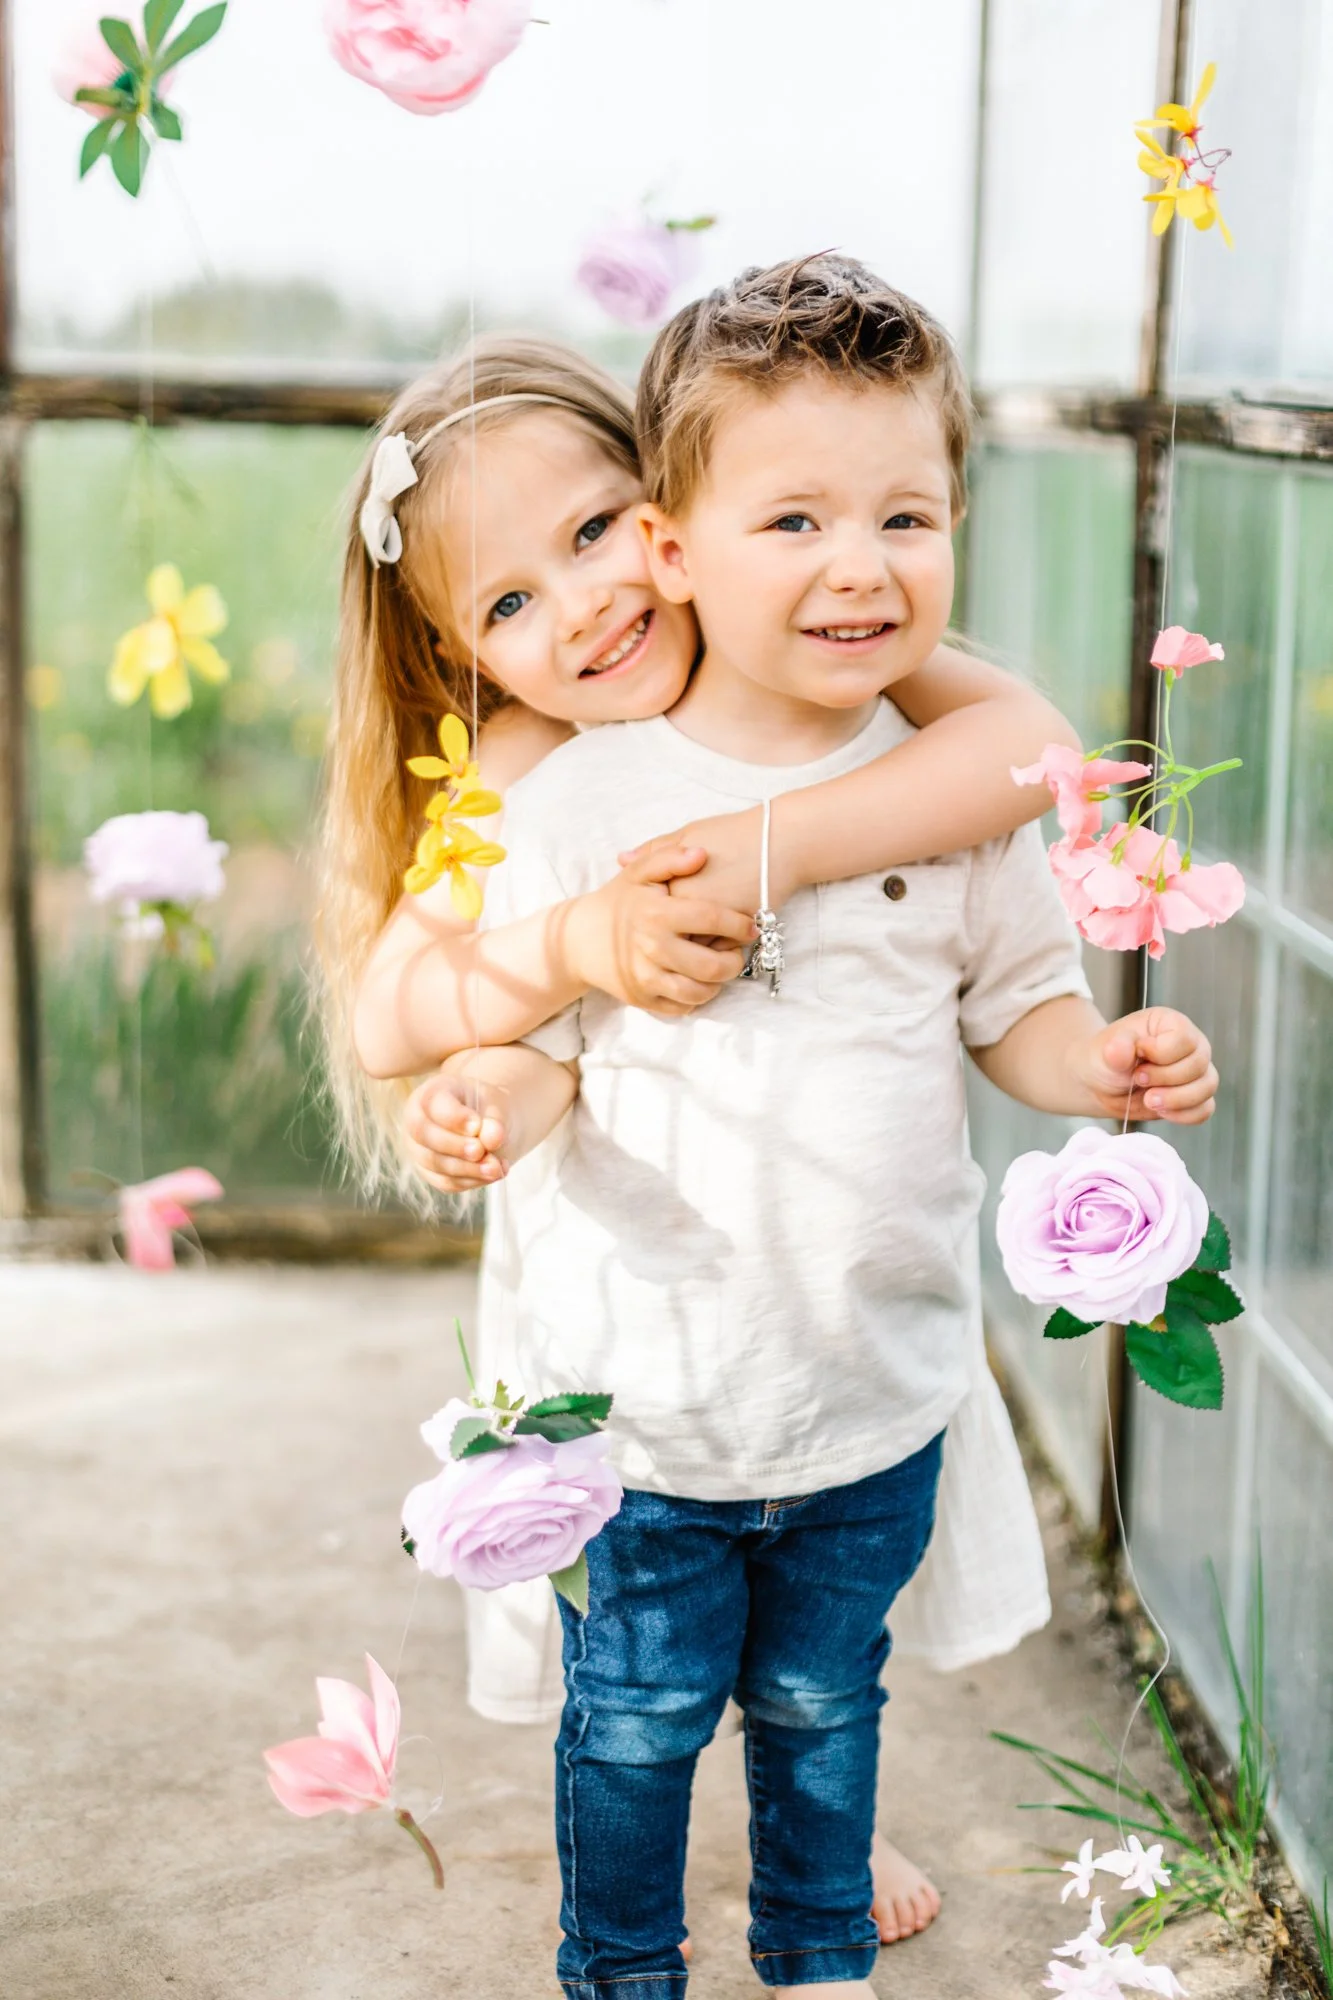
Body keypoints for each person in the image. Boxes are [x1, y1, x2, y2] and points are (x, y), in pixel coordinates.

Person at [402, 256, 1218, 2000]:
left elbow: (1015, 1011)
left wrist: (1102, 1066)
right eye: (796, 520)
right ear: (680, 553)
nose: (861, 564)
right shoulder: (579, 798)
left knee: (823, 1701)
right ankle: (622, 1964)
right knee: (632, 1723)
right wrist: (492, 1092)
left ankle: (818, 1951)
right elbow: (550, 1041)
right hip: (648, 1402)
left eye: (906, 516)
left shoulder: (961, 805)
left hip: (864, 1386)